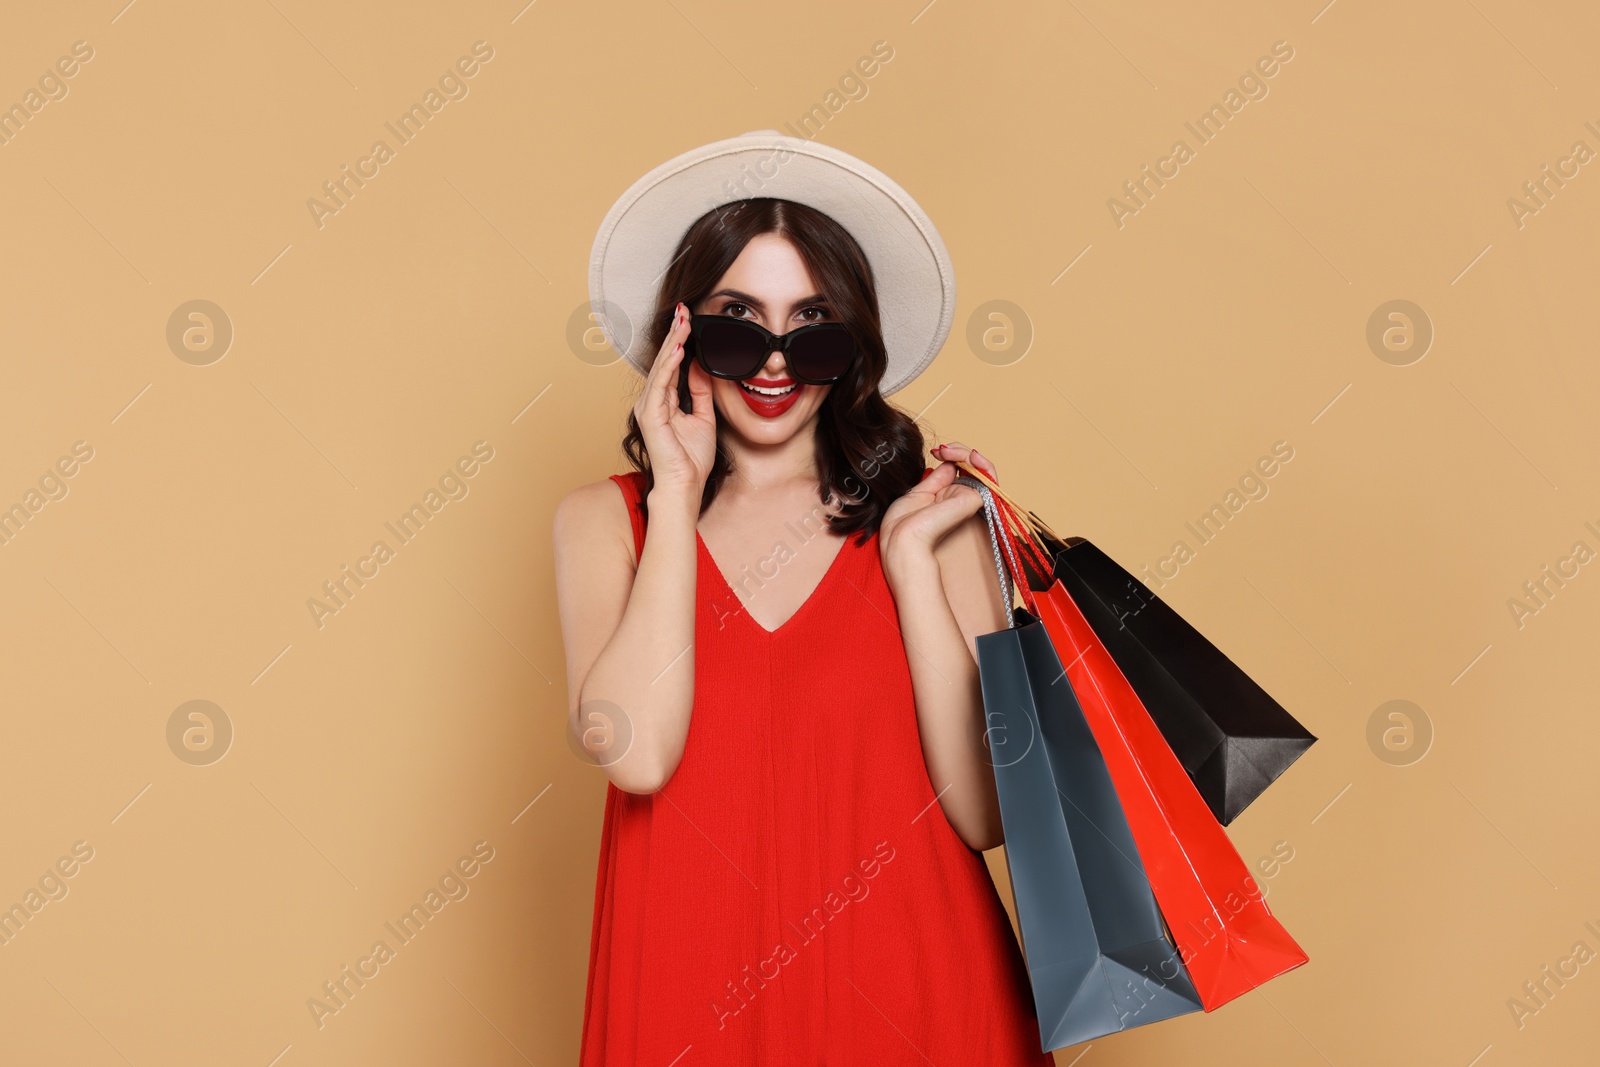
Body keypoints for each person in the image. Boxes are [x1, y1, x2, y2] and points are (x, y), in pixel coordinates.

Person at [555, 132, 1051, 1064]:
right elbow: (636, 753)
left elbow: (984, 816)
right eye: (739, 324)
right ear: (682, 334)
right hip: (687, 1003)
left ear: (851, 345)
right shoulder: (603, 522)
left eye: (811, 326)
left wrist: (911, 573)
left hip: (920, 1004)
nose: (775, 364)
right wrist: (674, 495)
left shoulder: (938, 518)